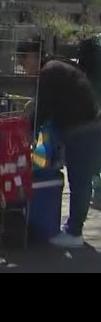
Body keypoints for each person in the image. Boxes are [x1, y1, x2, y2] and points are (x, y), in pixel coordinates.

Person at [17, 35, 101, 248]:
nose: (23, 68)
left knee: (79, 180)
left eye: (23, 61)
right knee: (80, 179)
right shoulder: (56, 65)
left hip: (82, 128)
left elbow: (42, 110)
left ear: (34, 56)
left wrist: (28, 132)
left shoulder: (49, 72)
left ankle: (74, 233)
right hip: (84, 125)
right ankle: (74, 227)